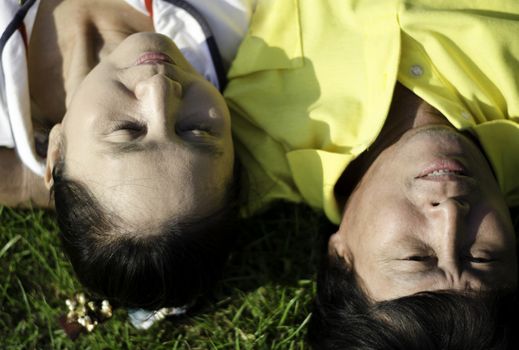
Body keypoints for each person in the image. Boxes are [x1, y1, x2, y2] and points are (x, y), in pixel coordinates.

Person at [223, 0, 519, 346]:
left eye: (416, 257)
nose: (451, 214)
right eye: (483, 256)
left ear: (340, 256)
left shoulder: (244, 144)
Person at [1, 0, 255, 313]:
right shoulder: (235, 17)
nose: (159, 88)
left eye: (128, 130)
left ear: (56, 152)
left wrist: (26, 179)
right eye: (196, 129)